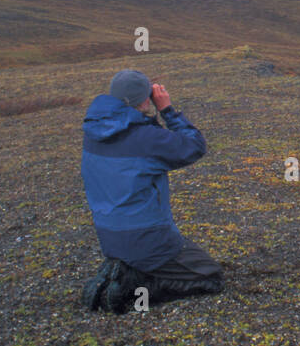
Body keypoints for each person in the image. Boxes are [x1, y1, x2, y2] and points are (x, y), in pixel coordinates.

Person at [80, 69, 224, 313]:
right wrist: (167, 111)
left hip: (109, 236)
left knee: (178, 259)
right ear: (146, 100)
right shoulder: (147, 137)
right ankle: (130, 288)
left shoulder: (93, 132)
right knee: (210, 277)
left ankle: (124, 267)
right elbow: (194, 146)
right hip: (148, 238)